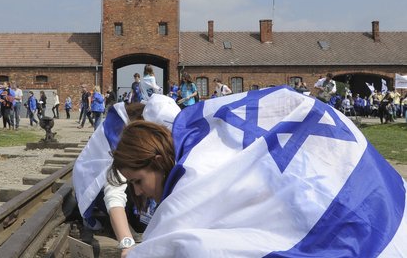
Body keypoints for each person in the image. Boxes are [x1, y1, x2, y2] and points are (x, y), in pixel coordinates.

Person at [108, 86, 407, 257]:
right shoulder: (209, 129)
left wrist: (135, 252)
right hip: (373, 199)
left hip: (343, 220)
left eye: (138, 181)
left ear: (157, 160)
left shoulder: (195, 176)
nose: (138, 192)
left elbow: (180, 243)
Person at [73, 94, 180, 258]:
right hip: (99, 186)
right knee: (140, 212)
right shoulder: (123, 138)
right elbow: (113, 192)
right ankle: (134, 220)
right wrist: (127, 243)